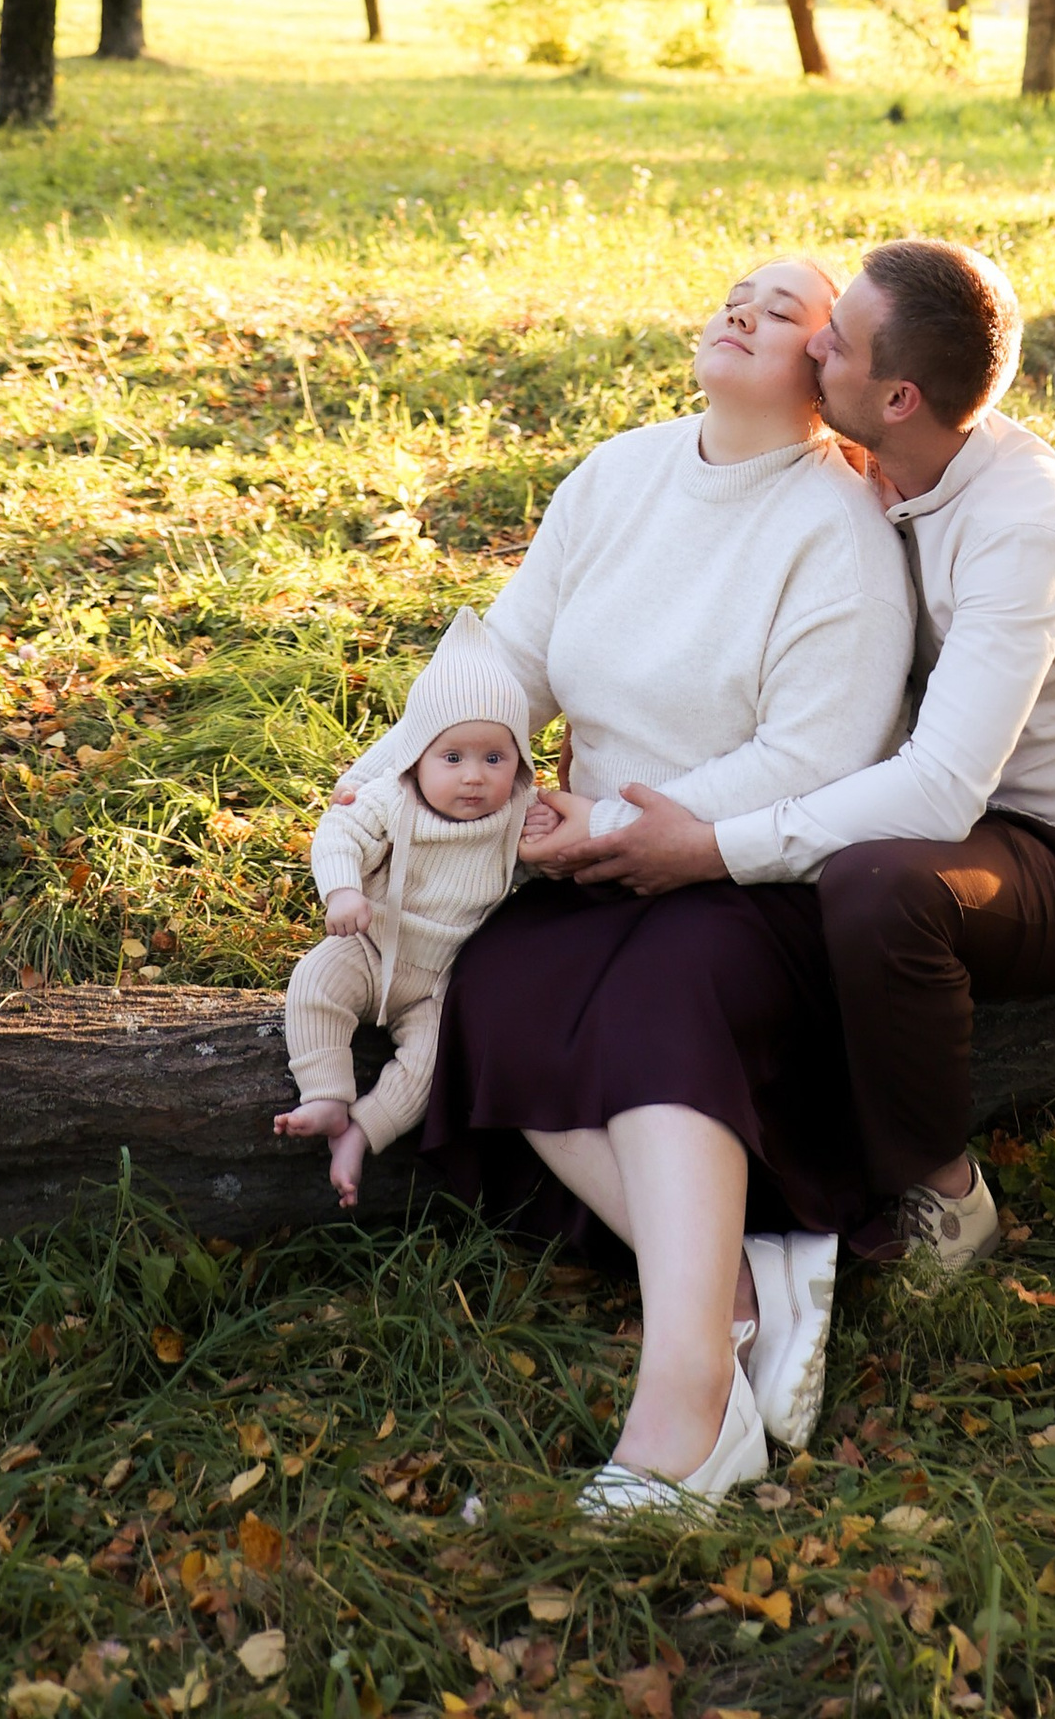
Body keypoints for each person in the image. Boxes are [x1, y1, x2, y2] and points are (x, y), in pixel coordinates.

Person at [341, 257, 914, 1512]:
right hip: (588, 861)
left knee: (661, 996)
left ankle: (688, 1411)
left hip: (754, 874)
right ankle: (748, 1282)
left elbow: (815, 761)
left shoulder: (841, 531)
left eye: (784, 311)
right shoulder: (618, 474)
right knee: (488, 987)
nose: (744, 311)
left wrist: (612, 822)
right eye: (738, 294)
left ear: (827, 370)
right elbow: (509, 663)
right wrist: (380, 787)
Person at [569, 236, 1055, 1273]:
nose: (813, 346)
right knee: (804, 891)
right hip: (946, 810)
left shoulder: (1018, 525)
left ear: (898, 398)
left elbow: (939, 792)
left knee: (874, 884)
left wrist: (712, 846)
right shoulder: (883, 463)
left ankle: (943, 1191)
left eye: (837, 343)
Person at [273, 611, 534, 1209]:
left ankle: (363, 1132)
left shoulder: (519, 812)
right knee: (315, 981)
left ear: (519, 760)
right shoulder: (393, 798)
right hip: (372, 946)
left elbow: (541, 869)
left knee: (432, 1066)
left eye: (495, 759)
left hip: (442, 980)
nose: (474, 777)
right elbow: (340, 832)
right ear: (416, 756)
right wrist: (343, 891)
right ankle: (326, 1094)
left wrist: (551, 846)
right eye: (453, 758)